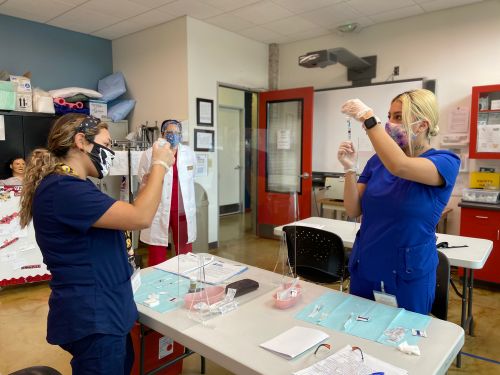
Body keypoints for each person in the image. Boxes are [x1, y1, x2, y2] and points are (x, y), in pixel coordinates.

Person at [19, 114, 175, 374]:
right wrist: (160, 164)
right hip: (94, 316)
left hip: (108, 310)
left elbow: (122, 216)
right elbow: (140, 217)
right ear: (81, 141)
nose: (111, 151)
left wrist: (149, 184)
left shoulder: (77, 186)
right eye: (107, 143)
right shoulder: (63, 189)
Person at [337, 89, 460, 315]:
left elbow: (400, 166)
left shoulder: (445, 162)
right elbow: (353, 209)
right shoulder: (378, 161)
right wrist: (349, 170)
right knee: (357, 335)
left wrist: (368, 118)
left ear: (422, 125)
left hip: (407, 274)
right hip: (366, 265)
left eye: (397, 117)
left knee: (401, 341)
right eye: (389, 116)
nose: (389, 123)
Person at [138, 119, 197, 266]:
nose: (174, 135)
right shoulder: (150, 153)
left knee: (185, 253)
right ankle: (156, 284)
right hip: (158, 208)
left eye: (177, 133)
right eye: (170, 132)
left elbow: (192, 176)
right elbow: (143, 178)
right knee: (157, 253)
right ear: (163, 133)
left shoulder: (188, 153)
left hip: (182, 211)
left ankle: (186, 280)